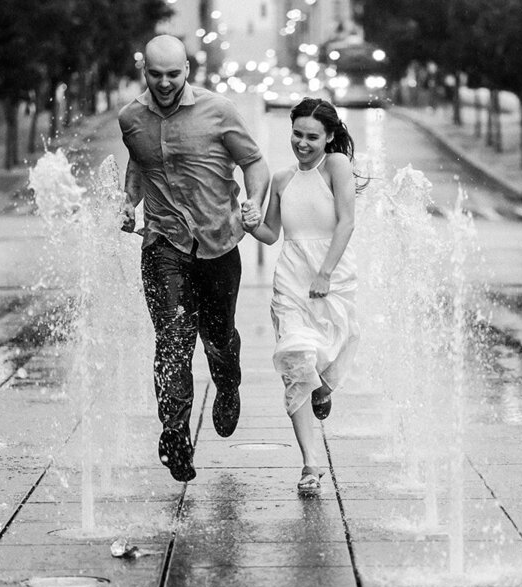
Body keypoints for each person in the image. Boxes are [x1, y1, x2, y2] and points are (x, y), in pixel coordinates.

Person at [118, 35, 271, 483]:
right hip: (163, 245)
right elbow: (139, 163)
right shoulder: (131, 118)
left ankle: (227, 384)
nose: (164, 84)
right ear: (144, 70)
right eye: (155, 75)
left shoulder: (218, 111)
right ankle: (175, 434)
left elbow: (255, 162)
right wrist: (128, 202)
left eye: (174, 74)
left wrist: (255, 202)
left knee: (218, 336)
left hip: (219, 244)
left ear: (187, 70)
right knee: (172, 341)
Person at [244, 98, 361, 492]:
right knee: (295, 361)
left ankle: (323, 389)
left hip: (332, 275)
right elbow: (271, 234)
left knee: (325, 361)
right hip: (291, 280)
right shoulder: (281, 179)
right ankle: (310, 464)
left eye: (313, 136)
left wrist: (326, 272)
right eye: (297, 134)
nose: (303, 143)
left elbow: (347, 222)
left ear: (329, 137)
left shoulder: (336, 167)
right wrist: (247, 222)